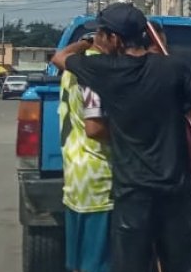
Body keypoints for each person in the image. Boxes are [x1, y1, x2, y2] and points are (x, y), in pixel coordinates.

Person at [51, 3, 191, 272]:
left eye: (100, 34)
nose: (97, 39)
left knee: (132, 264)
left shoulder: (104, 70)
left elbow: (59, 59)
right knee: (183, 261)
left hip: (133, 192)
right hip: (175, 188)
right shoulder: (173, 67)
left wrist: (83, 44)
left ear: (114, 38)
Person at [59, 43, 112, 272]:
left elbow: (60, 56)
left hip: (76, 175)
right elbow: (95, 127)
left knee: (78, 262)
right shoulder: (95, 73)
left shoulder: (71, 70)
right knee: (97, 263)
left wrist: (84, 41)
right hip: (99, 178)